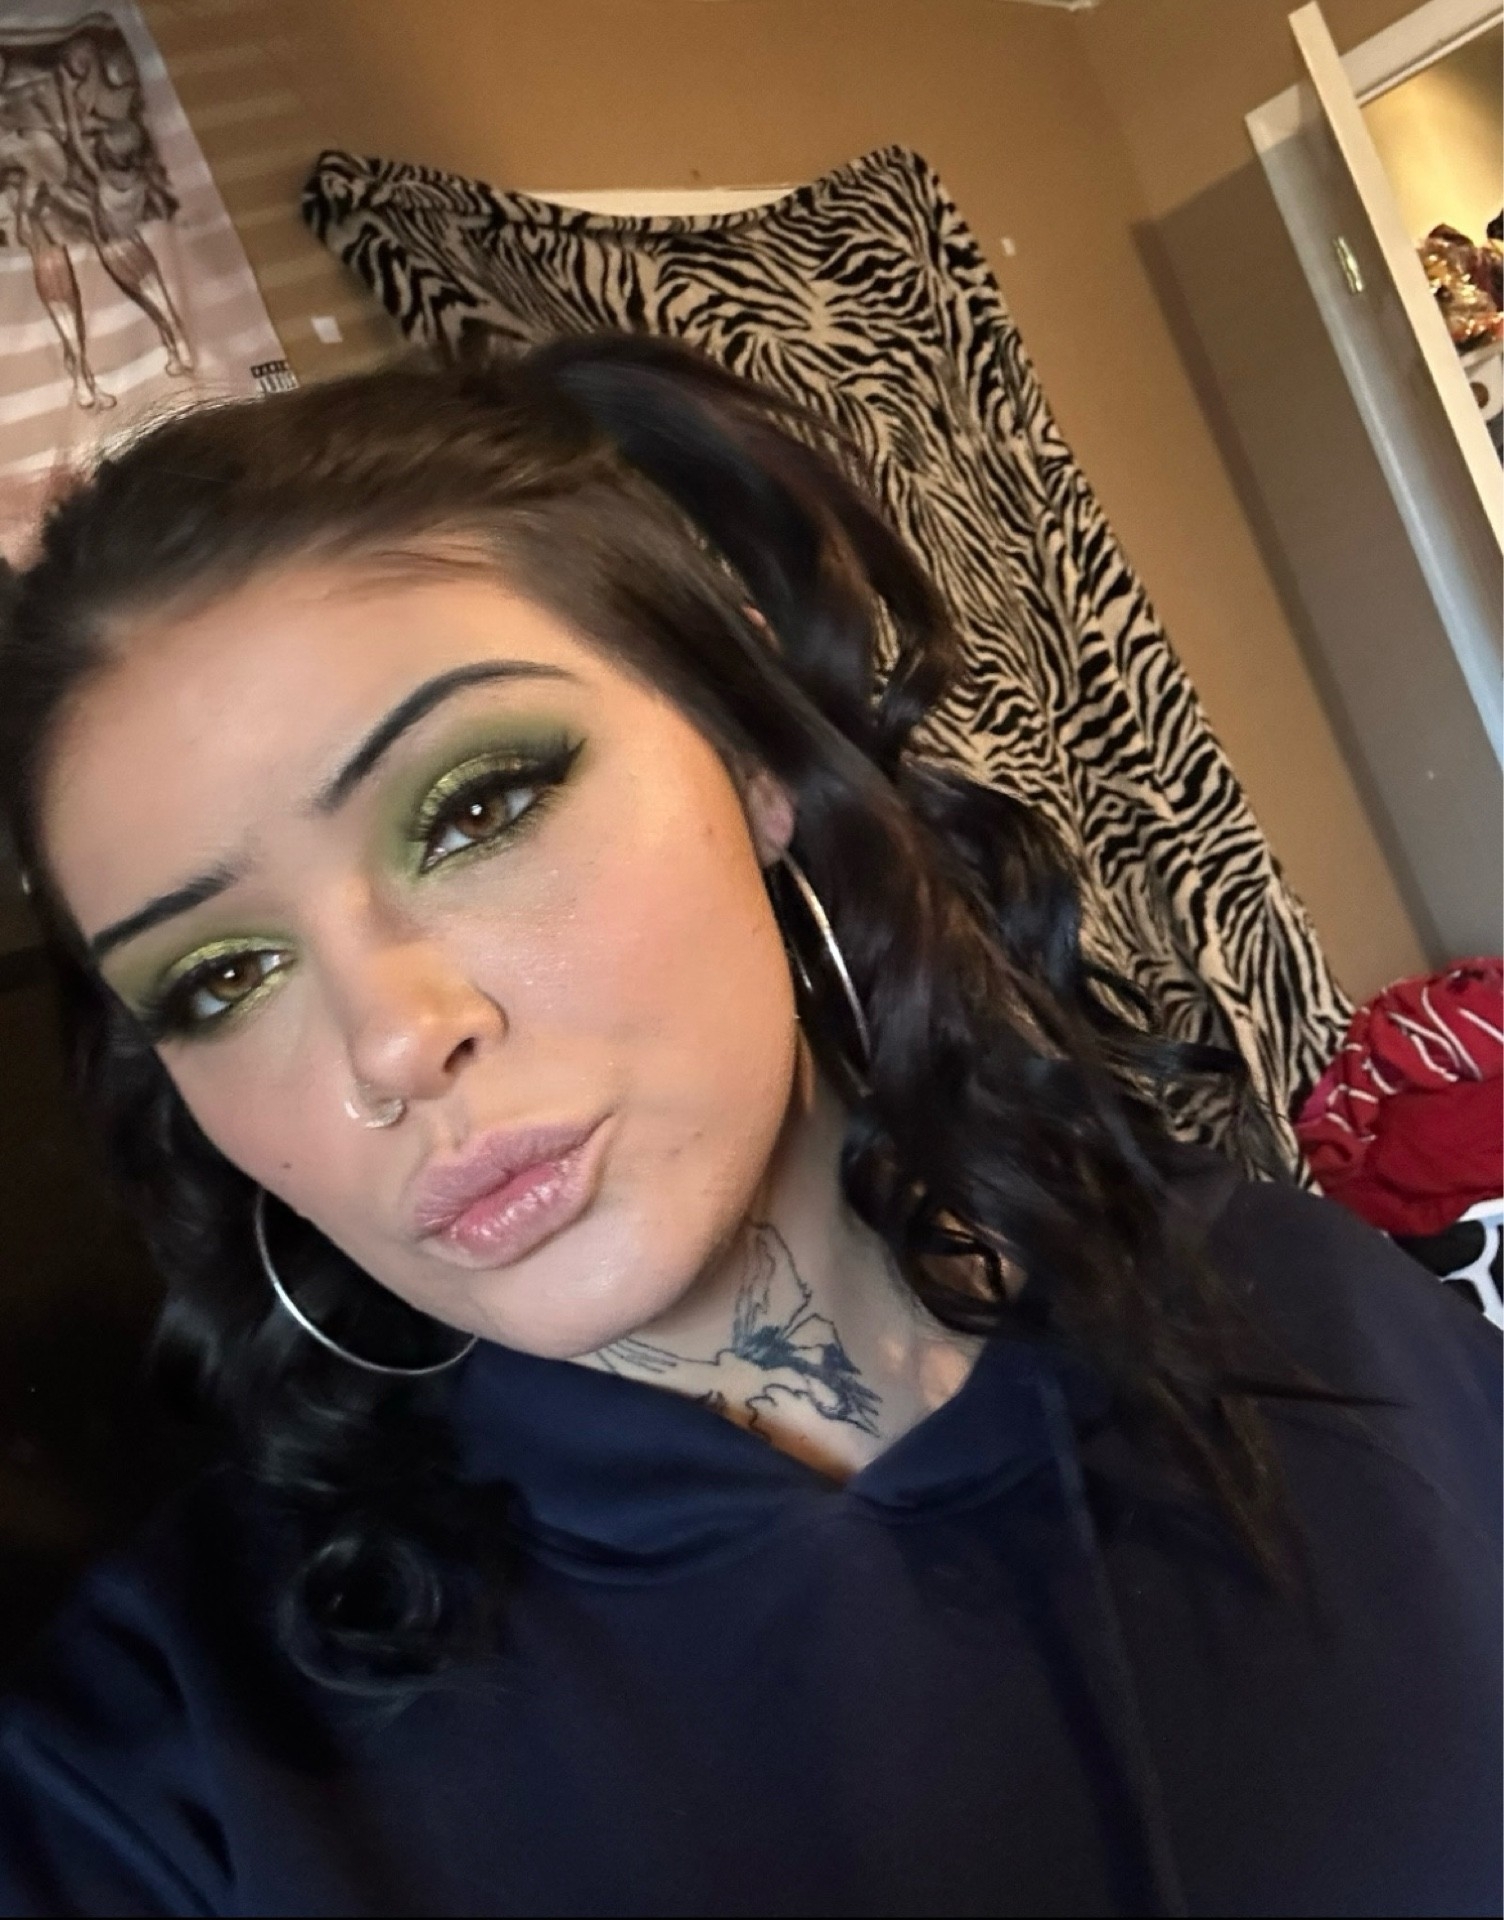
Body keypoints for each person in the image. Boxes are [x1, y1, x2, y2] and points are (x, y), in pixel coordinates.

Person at [0, 334, 1495, 1918]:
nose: (392, 1041)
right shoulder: (160, 1776)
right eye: (223, 977)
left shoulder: (1296, 1304)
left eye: (477, 808)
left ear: (754, 753)